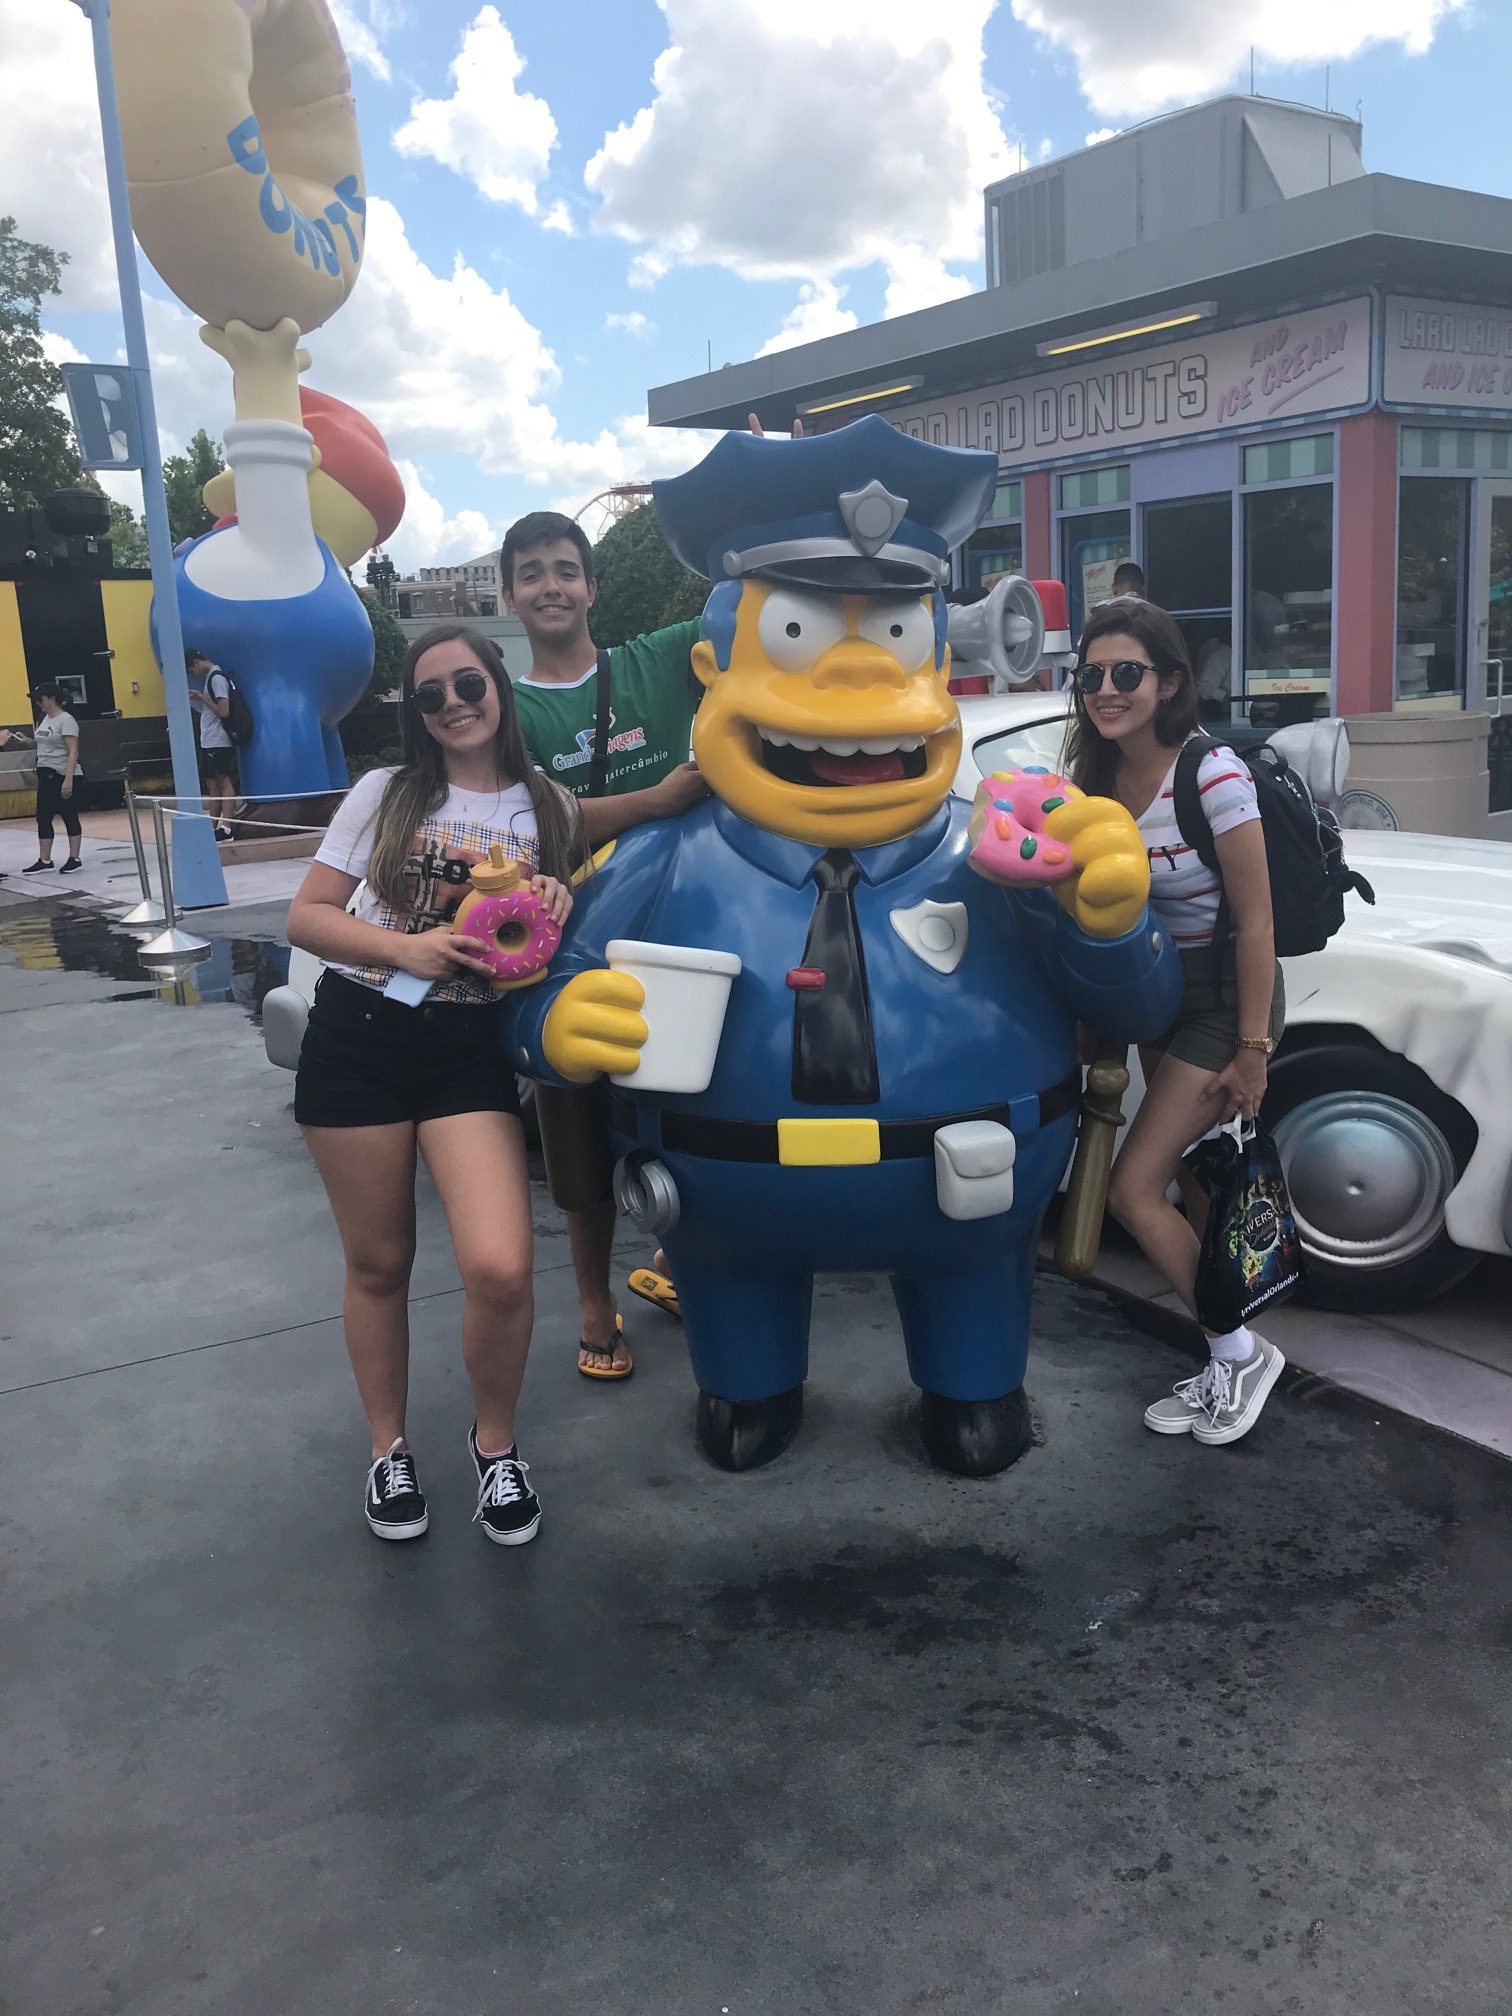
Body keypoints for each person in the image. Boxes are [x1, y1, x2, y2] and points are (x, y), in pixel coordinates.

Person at [286, 624, 578, 1545]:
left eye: (468, 684)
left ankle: (496, 1449)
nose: (453, 704)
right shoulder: (386, 792)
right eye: (430, 695)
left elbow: (546, 942)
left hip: (465, 1048)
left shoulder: (549, 805)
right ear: (416, 713)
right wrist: (403, 948)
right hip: (359, 1034)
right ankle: (389, 1450)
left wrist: (560, 898)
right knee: (379, 1264)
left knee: (501, 1265)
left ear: (498, 687)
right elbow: (307, 916)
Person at [1065, 598, 1287, 1447]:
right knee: (1195, 1189)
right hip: (1158, 994)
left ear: (1169, 682)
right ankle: (1225, 1359)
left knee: (1132, 1190)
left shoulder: (1211, 774)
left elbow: (1258, 924)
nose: (1107, 689)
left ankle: (1242, 1356)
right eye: (1092, 675)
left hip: (1226, 999)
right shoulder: (1094, 781)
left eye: (1127, 672)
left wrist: (1253, 1049)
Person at [503, 508, 709, 1379]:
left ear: (592, 585)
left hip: (684, 941)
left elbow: (755, 605)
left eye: (565, 569)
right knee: (578, 1144)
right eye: (532, 573)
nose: (550, 586)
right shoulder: (503, 710)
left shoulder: (660, 659)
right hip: (571, 958)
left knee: (698, 1118)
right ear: (509, 596)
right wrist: (657, 801)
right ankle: (595, 1305)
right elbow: (528, 823)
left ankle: (678, 1262)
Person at [1, 684, 84, 874]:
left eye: (41, 699)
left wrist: (68, 779)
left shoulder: (67, 720)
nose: (38, 704)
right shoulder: (43, 719)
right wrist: (27, 741)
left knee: (69, 814)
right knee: (43, 816)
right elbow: (43, 744)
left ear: (52, 698)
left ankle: (74, 857)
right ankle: (45, 860)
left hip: (62, 772)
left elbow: (73, 751)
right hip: (45, 773)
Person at [186, 649, 237, 841]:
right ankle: (212, 827)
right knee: (212, 784)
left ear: (196, 662)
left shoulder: (216, 678)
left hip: (219, 739)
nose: (193, 675)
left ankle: (227, 828)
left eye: (192, 670)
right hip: (209, 739)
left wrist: (202, 698)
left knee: (224, 782)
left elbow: (223, 711)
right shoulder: (210, 678)